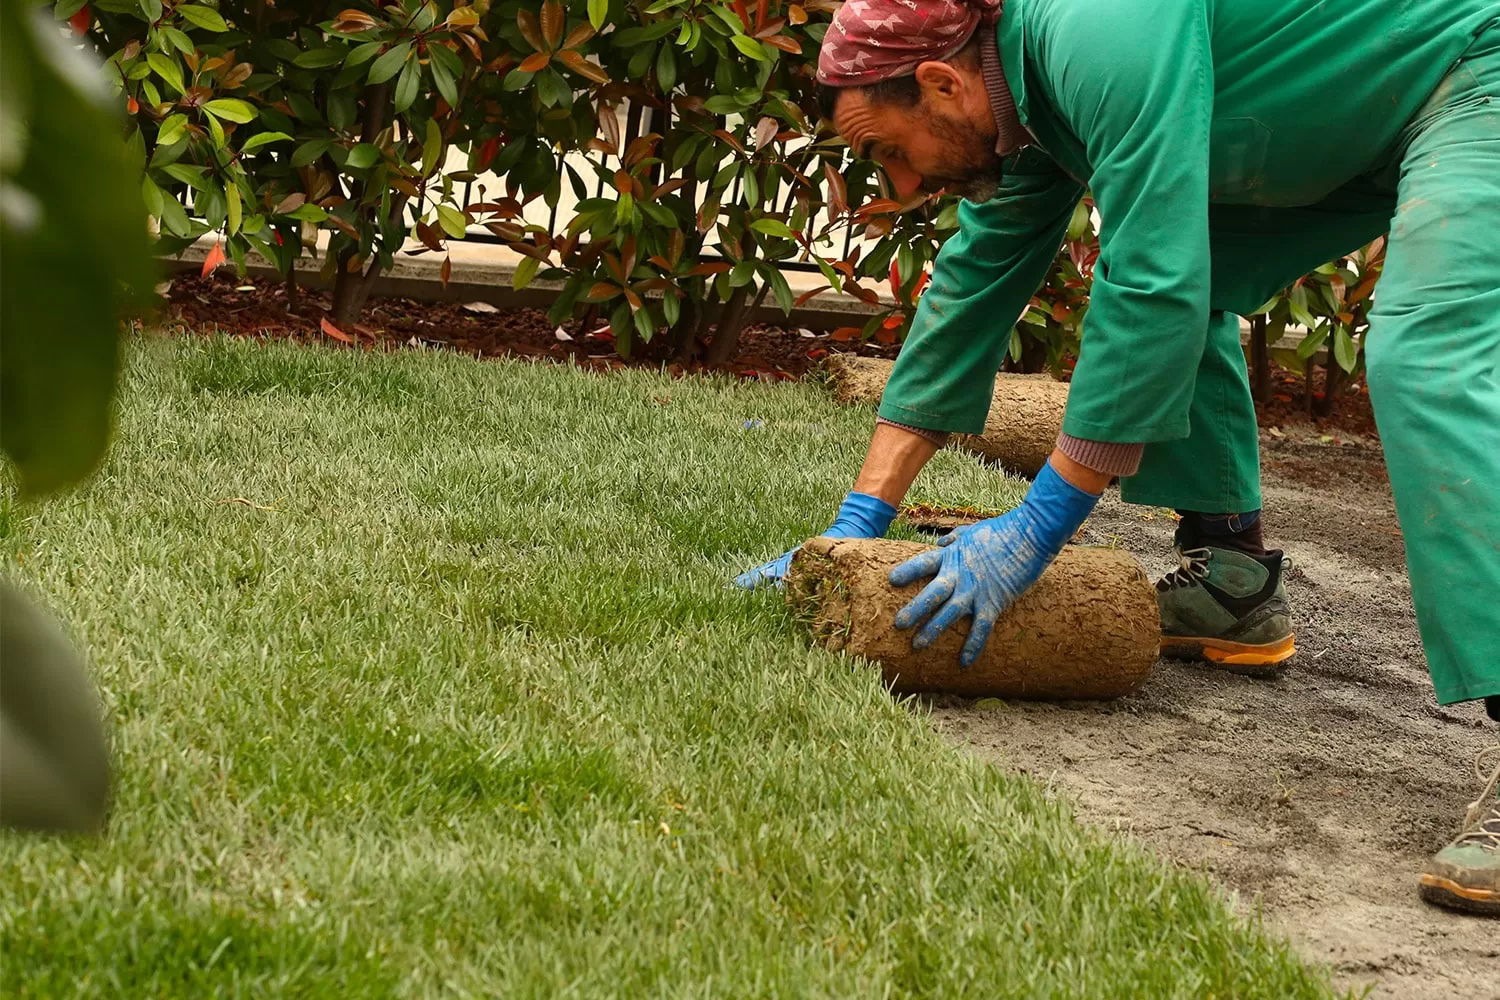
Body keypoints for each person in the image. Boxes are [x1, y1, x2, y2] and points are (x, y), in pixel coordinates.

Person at [736, 0, 1500, 916]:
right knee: (1194, 259)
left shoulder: (1096, 30)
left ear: (941, 84)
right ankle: (1233, 578)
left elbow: (1154, 277)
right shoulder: (1017, 97)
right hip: (1368, 115)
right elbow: (975, 285)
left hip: (1473, 69)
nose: (898, 185)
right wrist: (856, 524)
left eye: (889, 150)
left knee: (1425, 353)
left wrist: (1038, 527)